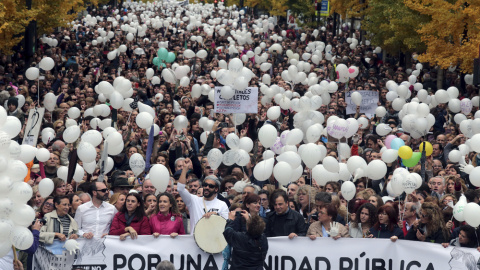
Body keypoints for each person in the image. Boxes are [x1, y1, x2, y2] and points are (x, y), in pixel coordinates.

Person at [177, 168, 228, 234]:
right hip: (194, 242)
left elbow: (226, 224)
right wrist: (184, 168)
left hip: (213, 241)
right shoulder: (194, 200)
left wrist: (216, 216)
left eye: (210, 186)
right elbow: (180, 189)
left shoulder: (222, 204)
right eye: (205, 185)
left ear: (216, 189)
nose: (207, 187)